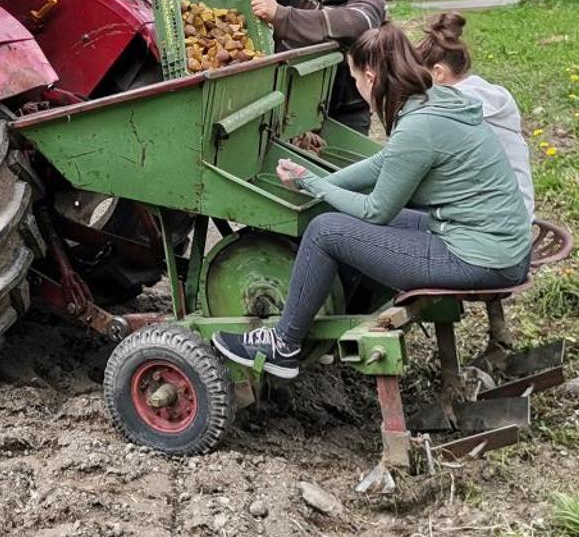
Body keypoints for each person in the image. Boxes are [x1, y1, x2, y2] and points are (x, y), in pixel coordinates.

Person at [213, 22, 533, 381]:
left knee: (324, 231)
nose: (358, 88)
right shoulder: (438, 100)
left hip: (480, 258)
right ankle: (330, 310)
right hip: (492, 243)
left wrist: (315, 186)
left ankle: (283, 345)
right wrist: (314, 183)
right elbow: (383, 164)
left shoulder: (417, 128)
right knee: (345, 218)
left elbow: (376, 210)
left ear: (370, 74)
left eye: (355, 79)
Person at [216, 0, 385, 133]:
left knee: (340, 166)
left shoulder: (370, 1)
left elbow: (352, 24)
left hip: (343, 115)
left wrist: (281, 16)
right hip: (289, 106)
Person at [413, 11, 534, 221]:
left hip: (493, 224)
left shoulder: (455, 109)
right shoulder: (492, 95)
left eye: (421, 77)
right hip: (519, 212)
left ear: (438, 72)